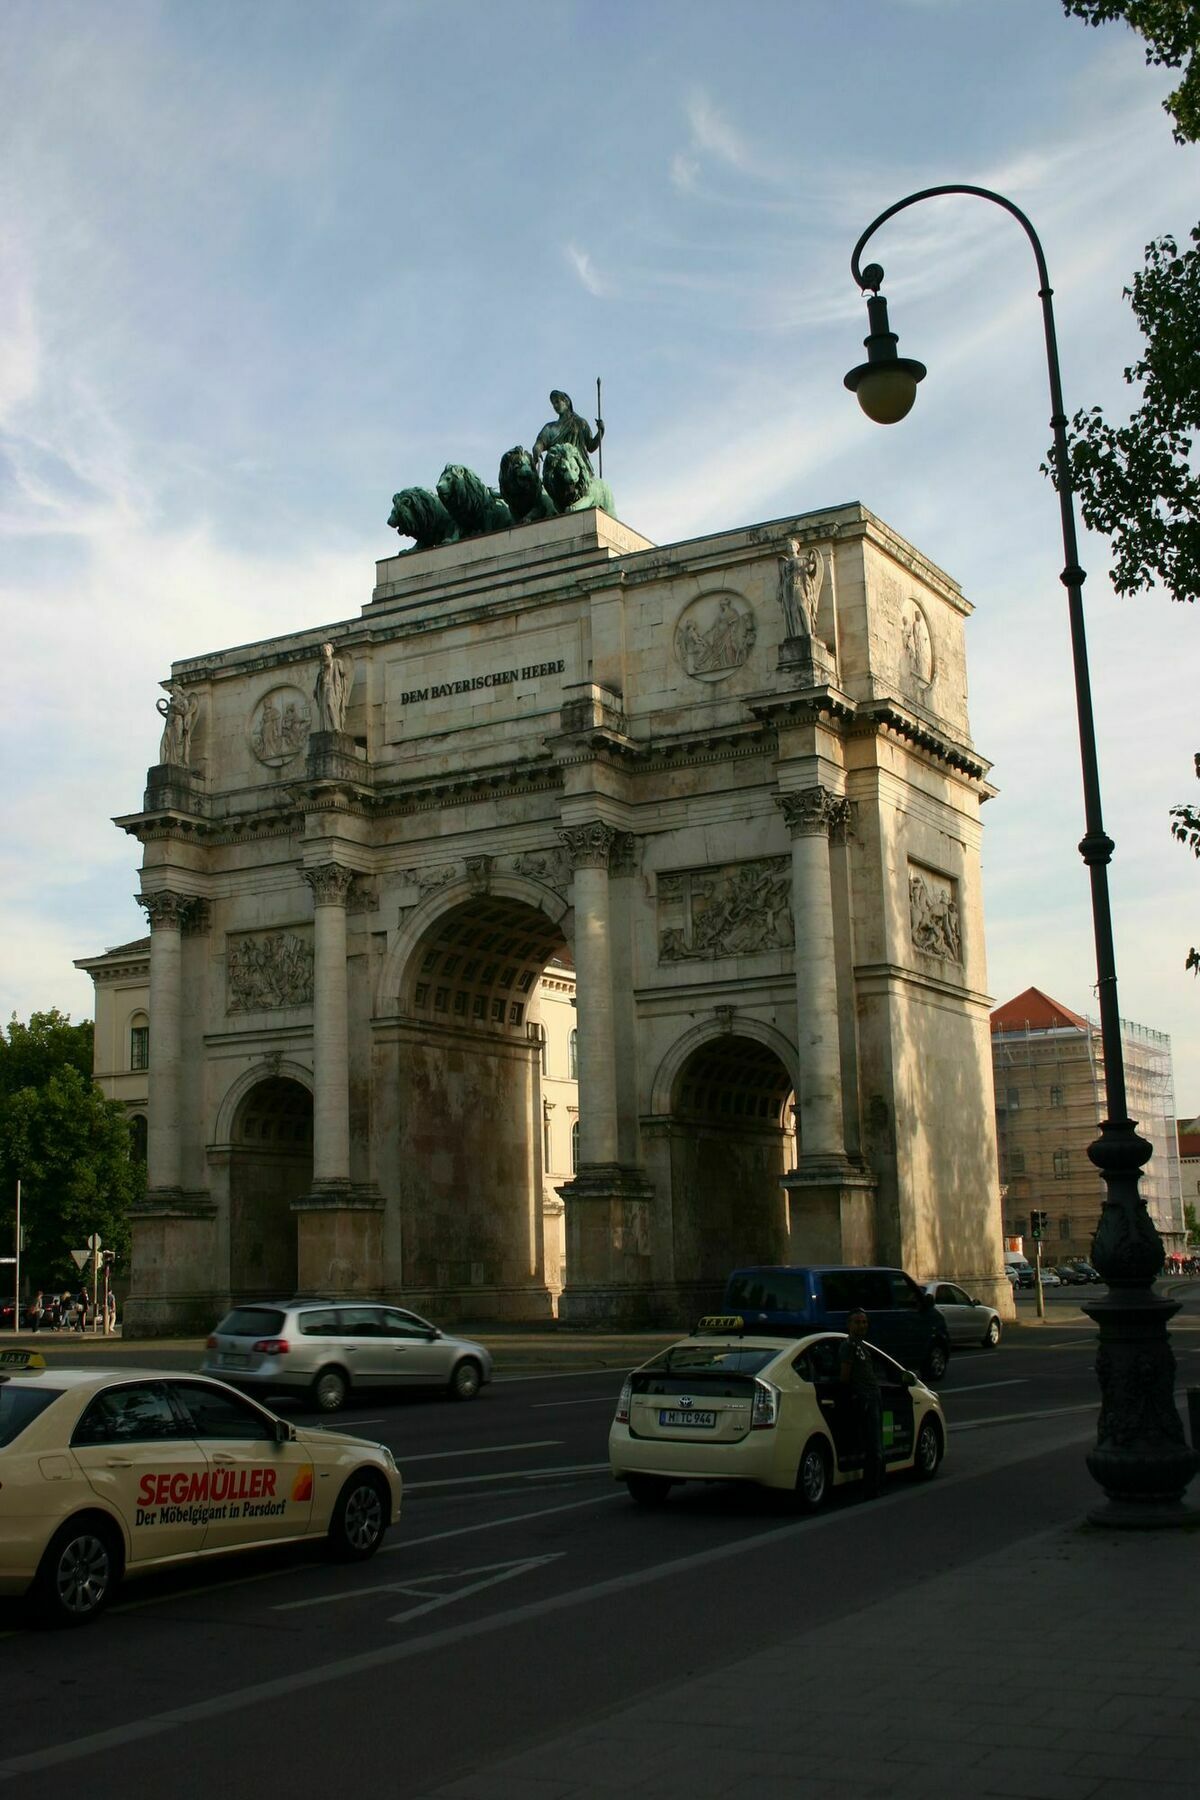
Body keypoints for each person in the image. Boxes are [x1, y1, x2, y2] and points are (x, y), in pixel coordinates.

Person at [839, 1307, 884, 1498]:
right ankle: (869, 1488)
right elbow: (845, 1376)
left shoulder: (862, 1346)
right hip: (865, 1400)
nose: (862, 1325)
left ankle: (875, 1484)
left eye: (864, 1322)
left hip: (874, 1398)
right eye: (857, 1322)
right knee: (872, 1446)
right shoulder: (848, 1346)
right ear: (849, 1324)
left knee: (877, 1445)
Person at [532, 390, 603, 476]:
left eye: (557, 402)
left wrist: (600, 431)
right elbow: (540, 443)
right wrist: (536, 450)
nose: (555, 406)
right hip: (557, 472)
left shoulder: (580, 423)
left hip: (579, 469)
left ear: (566, 402)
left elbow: (591, 446)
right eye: (553, 404)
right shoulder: (550, 427)